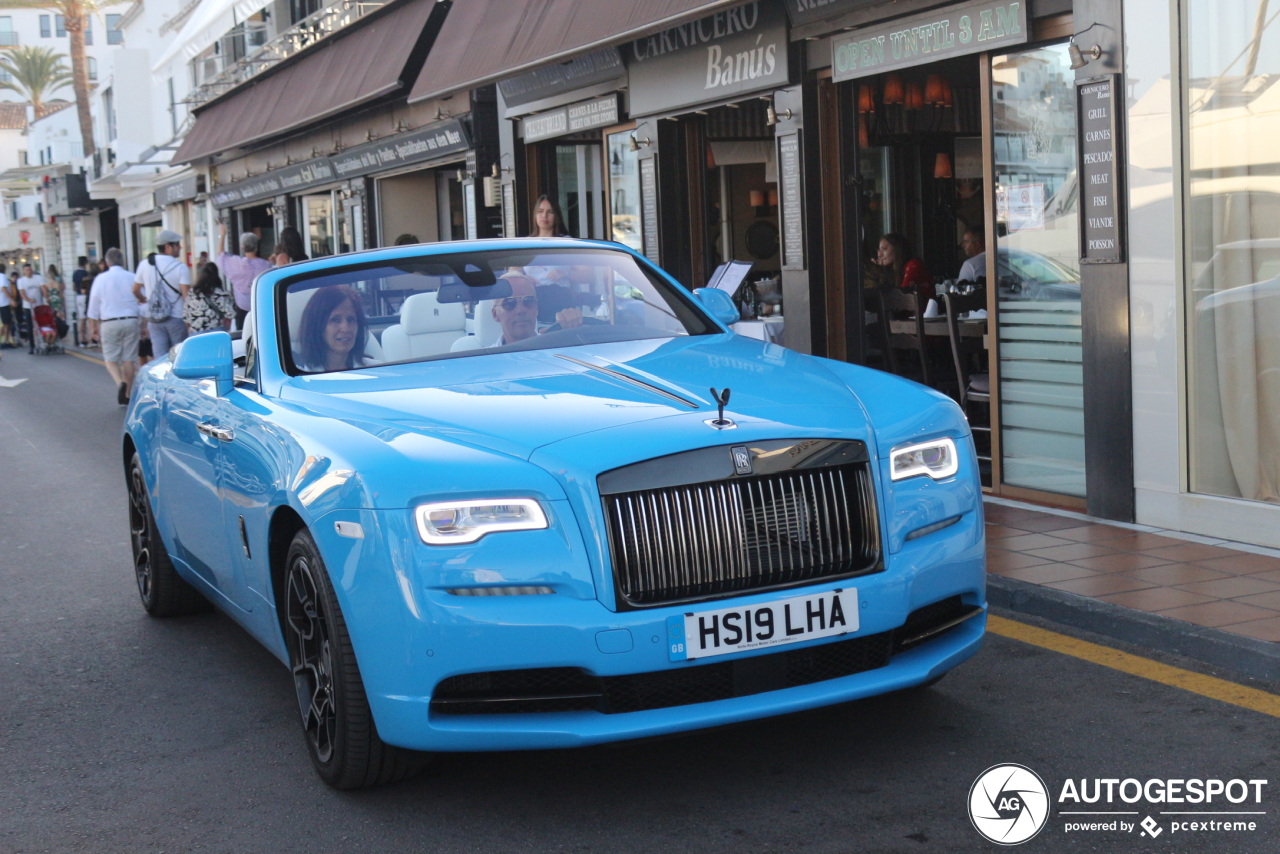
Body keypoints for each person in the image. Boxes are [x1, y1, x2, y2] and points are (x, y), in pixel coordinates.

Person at [87, 248, 141, 404]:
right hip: (131, 320)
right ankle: (128, 392)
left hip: (109, 322)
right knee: (129, 359)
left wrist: (93, 327)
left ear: (106, 262)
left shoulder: (100, 279)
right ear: (122, 261)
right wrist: (143, 323)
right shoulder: (132, 277)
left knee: (110, 359)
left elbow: (93, 305)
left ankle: (120, 384)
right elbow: (141, 301)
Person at [133, 229, 191, 357]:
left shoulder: (144, 265)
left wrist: (144, 299)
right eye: (177, 244)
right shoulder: (180, 267)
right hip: (176, 317)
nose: (180, 247)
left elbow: (135, 289)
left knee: (160, 357)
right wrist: (189, 320)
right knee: (179, 356)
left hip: (154, 319)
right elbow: (186, 296)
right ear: (168, 247)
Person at [295, 285, 375, 372]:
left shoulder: (376, 370)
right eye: (335, 320)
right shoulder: (298, 374)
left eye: (351, 320)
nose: (345, 328)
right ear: (317, 326)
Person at [489, 275, 582, 346]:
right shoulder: (483, 360)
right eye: (509, 303)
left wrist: (574, 331)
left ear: (536, 308)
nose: (520, 310)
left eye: (528, 301)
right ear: (495, 314)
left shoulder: (558, 348)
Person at [217, 222, 272, 328]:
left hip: (241, 309)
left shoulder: (236, 264)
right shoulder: (266, 265)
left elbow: (221, 255)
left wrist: (222, 234)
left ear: (242, 247)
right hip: (261, 308)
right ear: (256, 246)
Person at [184, 262, 235, 334]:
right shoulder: (220, 293)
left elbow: (186, 316)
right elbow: (230, 313)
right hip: (216, 332)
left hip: (196, 333)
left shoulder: (192, 293)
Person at [17, 263, 46, 353]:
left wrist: (46, 297)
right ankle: (32, 346)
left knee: (41, 324)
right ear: (24, 271)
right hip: (28, 306)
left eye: (30, 270)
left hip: (39, 306)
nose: (29, 272)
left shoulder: (38, 278)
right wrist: (29, 300)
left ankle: (43, 343)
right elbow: (22, 293)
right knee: (30, 326)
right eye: (27, 270)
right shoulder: (21, 281)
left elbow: (43, 288)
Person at [72, 257, 91, 345]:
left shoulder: (75, 273)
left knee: (81, 318)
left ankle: (81, 338)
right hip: (85, 296)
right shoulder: (86, 273)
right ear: (85, 263)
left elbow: (73, 287)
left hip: (78, 296)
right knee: (88, 319)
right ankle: (86, 338)